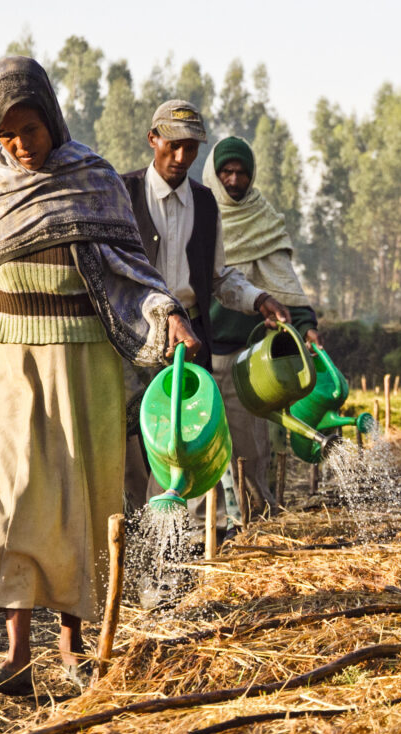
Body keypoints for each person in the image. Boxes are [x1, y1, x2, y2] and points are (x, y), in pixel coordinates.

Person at [0, 56, 200, 695]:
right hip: (12, 362)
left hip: (85, 359)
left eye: (30, 129)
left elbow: (132, 270)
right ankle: (16, 656)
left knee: (85, 495)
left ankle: (71, 646)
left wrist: (168, 313)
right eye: (6, 134)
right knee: (15, 495)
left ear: (52, 119)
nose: (20, 145)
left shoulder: (92, 180)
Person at [121, 102, 290, 531]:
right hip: (135, 341)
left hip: (189, 343)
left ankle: (189, 536)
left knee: (188, 440)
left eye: (191, 149)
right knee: (138, 449)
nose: (181, 158)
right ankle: (142, 538)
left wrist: (258, 299)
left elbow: (218, 277)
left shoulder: (204, 202)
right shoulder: (123, 194)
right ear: (152, 139)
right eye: (173, 146)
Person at [202, 136, 320, 523]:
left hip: (249, 360)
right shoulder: (200, 214)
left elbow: (284, 284)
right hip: (198, 354)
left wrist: (305, 326)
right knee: (198, 449)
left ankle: (255, 525)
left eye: (241, 173)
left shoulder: (262, 219)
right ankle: (204, 530)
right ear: (215, 175)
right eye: (227, 172)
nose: (234, 180)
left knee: (248, 451)